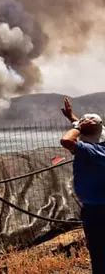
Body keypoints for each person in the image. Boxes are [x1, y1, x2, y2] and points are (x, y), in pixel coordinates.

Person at [60, 97, 105, 273]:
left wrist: (77, 126)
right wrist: (72, 117)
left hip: (97, 211)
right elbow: (93, 129)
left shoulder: (92, 152)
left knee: (99, 253)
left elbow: (66, 141)